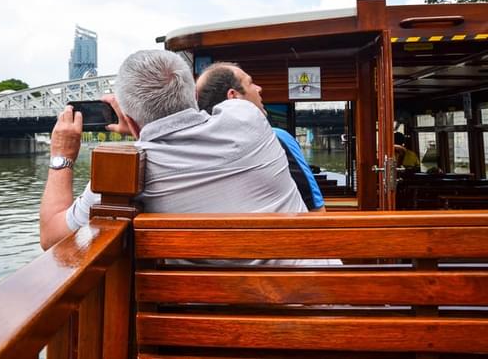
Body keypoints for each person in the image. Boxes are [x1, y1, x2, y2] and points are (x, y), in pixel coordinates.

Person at [39, 50, 311, 253]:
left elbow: (52, 237)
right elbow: (181, 127)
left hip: (212, 323)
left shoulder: (127, 171)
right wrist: (139, 125)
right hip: (320, 299)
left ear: (131, 120)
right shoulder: (248, 116)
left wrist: (61, 155)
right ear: (192, 94)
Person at [196, 62, 325, 212]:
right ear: (234, 96)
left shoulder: (192, 147)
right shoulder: (277, 138)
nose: (259, 88)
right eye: (250, 83)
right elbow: (315, 209)